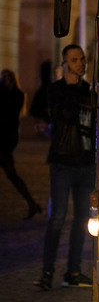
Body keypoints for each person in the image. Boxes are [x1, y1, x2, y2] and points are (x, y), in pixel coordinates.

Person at [34, 45, 97, 291]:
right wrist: (69, 85)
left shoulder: (89, 91)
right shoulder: (56, 90)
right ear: (65, 64)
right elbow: (64, 116)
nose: (81, 63)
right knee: (57, 219)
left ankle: (73, 271)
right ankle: (47, 272)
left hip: (85, 164)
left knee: (82, 220)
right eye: (75, 60)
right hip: (62, 163)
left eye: (82, 59)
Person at [1, 69, 43, 219]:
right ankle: (32, 204)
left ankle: (32, 204)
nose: (4, 79)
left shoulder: (16, 95)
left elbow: (10, 113)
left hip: (5, 141)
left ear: (11, 79)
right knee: (12, 176)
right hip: (4, 141)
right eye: (2, 77)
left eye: (6, 77)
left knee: (12, 175)